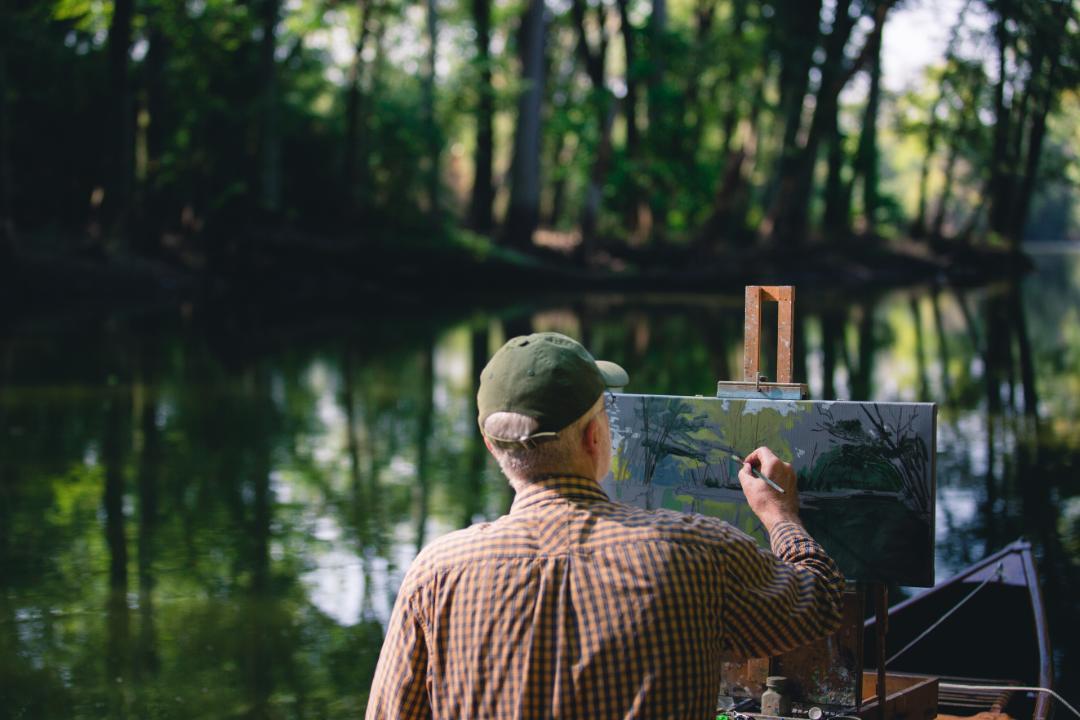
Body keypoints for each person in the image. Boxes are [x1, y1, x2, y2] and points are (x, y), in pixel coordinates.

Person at [366, 332, 844, 720]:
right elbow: (820, 601)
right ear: (595, 436)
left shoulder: (435, 575)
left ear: (494, 449)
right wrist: (780, 515)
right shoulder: (697, 553)